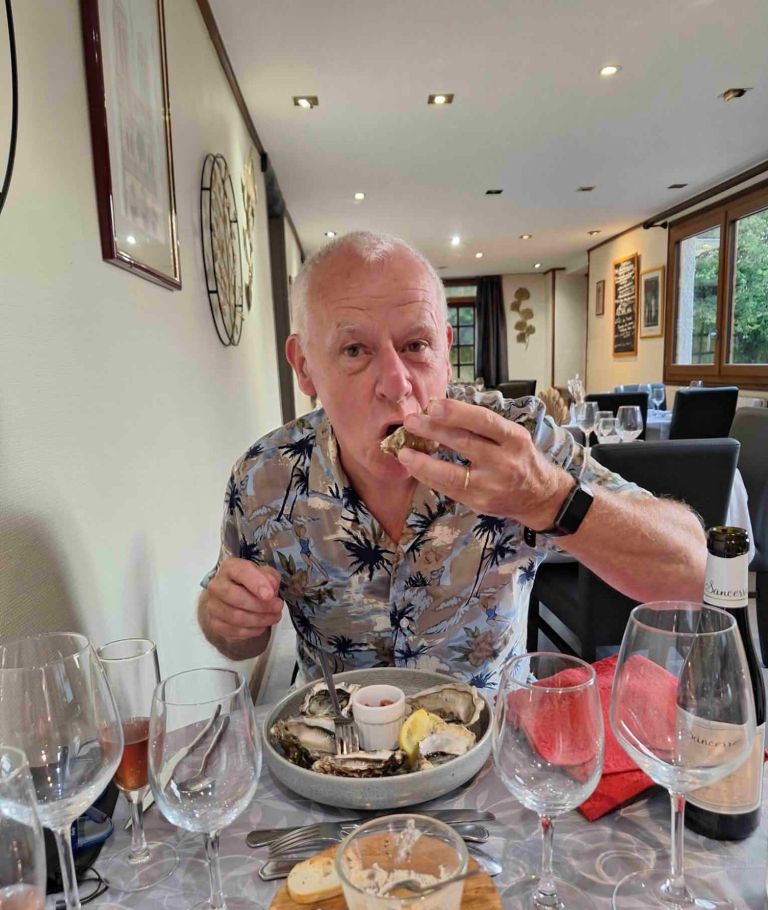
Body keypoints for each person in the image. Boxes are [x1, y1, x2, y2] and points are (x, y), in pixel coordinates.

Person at [198, 232, 705, 690]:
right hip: (335, 748)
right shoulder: (265, 476)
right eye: (354, 350)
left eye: (415, 345)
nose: (396, 383)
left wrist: (547, 498)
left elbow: (691, 571)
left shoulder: (515, 440)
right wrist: (227, 619)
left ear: (444, 350)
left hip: (498, 747)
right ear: (304, 366)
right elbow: (237, 639)